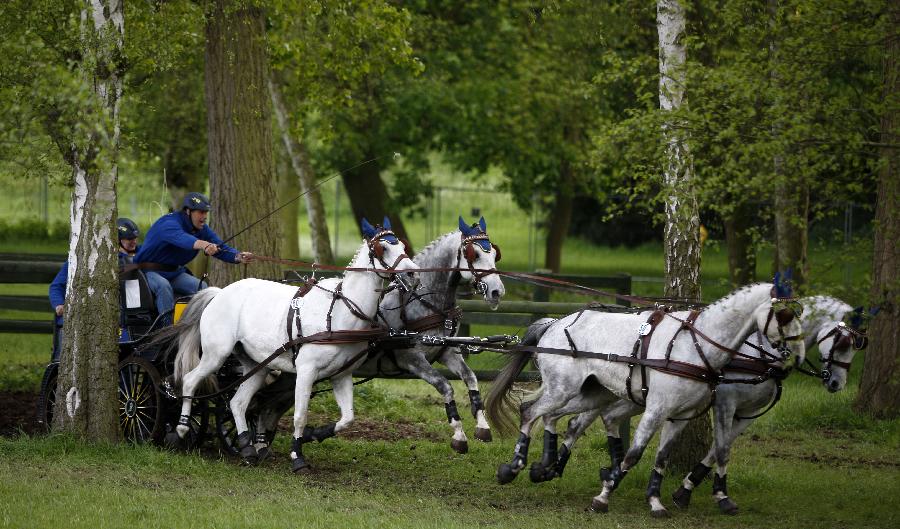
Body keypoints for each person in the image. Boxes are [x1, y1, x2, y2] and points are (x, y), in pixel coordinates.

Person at [133, 192, 253, 323]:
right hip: (148, 271)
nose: (205, 216)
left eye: (206, 212)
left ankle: (198, 327)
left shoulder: (202, 229)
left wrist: (238, 256)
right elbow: (183, 239)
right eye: (201, 212)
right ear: (188, 211)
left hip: (174, 272)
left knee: (203, 288)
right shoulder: (168, 223)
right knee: (163, 286)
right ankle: (166, 333)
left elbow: (220, 247)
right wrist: (205, 245)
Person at [49, 217, 141, 357]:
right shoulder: (80, 259)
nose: (133, 242)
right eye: (129, 239)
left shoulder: (138, 256)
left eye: (135, 238)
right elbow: (57, 286)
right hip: (81, 316)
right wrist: (59, 304)